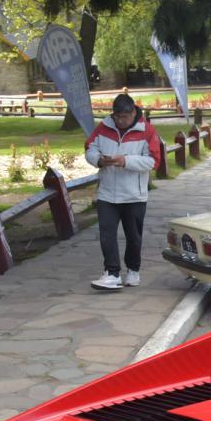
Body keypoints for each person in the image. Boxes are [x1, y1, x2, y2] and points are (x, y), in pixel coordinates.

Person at [85, 93, 159, 290]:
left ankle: (133, 270)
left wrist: (125, 161)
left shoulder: (147, 131)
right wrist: (99, 160)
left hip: (134, 194)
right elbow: (90, 149)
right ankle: (112, 273)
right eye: (117, 117)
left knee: (133, 235)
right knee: (106, 233)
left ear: (133, 112)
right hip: (107, 193)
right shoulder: (103, 127)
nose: (120, 121)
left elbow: (153, 161)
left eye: (124, 117)